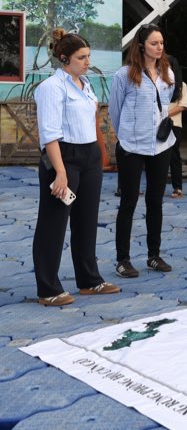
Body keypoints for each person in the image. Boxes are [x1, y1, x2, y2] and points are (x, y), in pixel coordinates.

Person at [32, 29, 120, 306]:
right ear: (63, 58)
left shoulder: (86, 84)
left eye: (88, 57)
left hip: (89, 157)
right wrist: (60, 172)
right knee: (53, 224)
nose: (86, 62)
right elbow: (50, 134)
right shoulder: (51, 88)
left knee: (86, 221)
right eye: (81, 58)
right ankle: (48, 289)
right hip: (63, 158)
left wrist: (101, 154)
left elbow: (93, 120)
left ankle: (89, 281)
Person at [109, 23, 177, 278]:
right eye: (154, 43)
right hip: (131, 145)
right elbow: (115, 111)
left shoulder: (167, 71)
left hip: (161, 145)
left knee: (155, 202)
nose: (159, 47)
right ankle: (123, 259)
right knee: (128, 202)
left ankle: (154, 255)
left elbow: (166, 106)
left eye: (161, 43)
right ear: (141, 46)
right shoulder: (124, 75)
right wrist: (127, 134)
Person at [166, 54, 187, 198]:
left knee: (174, 156)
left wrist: (164, 114)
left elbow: (183, 106)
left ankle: (177, 187)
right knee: (157, 156)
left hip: (174, 124)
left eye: (168, 66)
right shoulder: (156, 83)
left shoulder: (182, 85)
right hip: (158, 124)